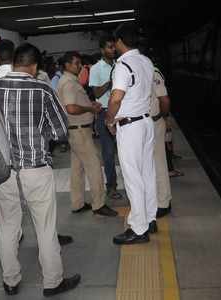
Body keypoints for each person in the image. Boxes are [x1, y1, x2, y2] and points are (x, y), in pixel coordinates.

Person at [0, 43, 80, 297]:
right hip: (35, 168)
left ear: (13, 63)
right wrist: (38, 135)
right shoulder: (42, 88)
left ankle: (10, 281)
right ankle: (52, 282)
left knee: (8, 226)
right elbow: (60, 131)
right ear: (34, 66)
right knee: (44, 226)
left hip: (3, 171)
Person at [106, 24, 157, 245]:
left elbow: (116, 98)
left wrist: (109, 119)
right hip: (146, 123)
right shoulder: (146, 61)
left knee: (133, 176)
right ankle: (150, 218)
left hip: (130, 127)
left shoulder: (123, 65)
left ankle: (138, 229)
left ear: (119, 42)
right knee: (147, 173)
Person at [57, 51, 118, 217]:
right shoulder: (69, 83)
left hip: (76, 131)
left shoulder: (69, 81)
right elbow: (70, 108)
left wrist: (88, 104)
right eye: (76, 63)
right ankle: (99, 204)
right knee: (94, 166)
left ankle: (77, 203)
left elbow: (73, 104)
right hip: (80, 132)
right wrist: (91, 108)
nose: (79, 66)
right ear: (67, 65)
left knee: (77, 169)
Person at [89, 35, 123, 200]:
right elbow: (96, 93)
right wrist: (111, 81)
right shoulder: (96, 69)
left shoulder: (120, 65)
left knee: (125, 151)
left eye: (114, 47)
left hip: (120, 111)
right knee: (108, 153)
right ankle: (111, 186)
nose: (113, 49)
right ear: (102, 50)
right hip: (104, 112)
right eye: (109, 47)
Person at [151, 67, 173, 218]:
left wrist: (161, 116)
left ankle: (164, 203)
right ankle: (157, 198)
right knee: (150, 165)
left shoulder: (153, 72)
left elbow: (164, 99)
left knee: (159, 163)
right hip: (144, 125)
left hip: (154, 122)